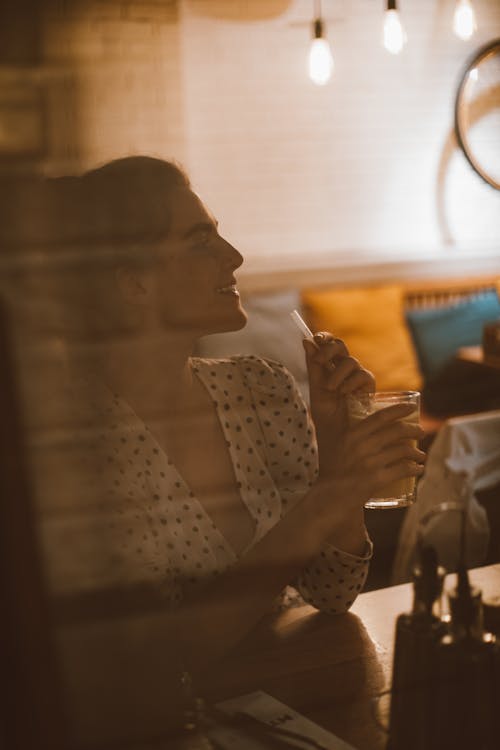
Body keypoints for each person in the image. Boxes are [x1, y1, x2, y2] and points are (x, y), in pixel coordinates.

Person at [46, 156, 425, 687]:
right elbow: (166, 654)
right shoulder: (79, 442)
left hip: (297, 694)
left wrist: (337, 456)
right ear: (133, 284)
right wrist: (331, 493)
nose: (235, 256)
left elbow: (332, 592)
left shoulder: (260, 387)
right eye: (201, 241)